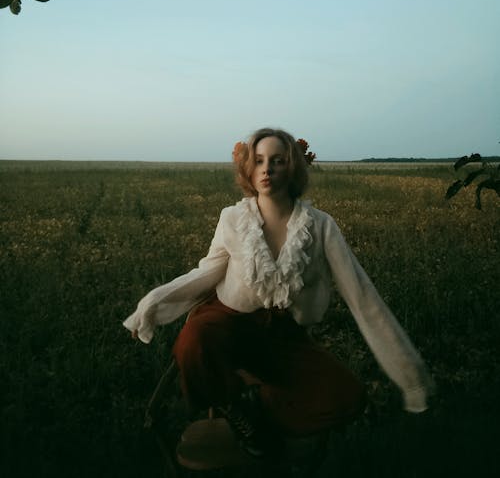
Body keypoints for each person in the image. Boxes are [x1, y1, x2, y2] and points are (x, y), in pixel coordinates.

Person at [123, 127, 433, 457]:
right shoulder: (232, 218)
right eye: (258, 161)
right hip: (227, 323)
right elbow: (206, 272)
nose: (266, 169)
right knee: (193, 338)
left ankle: (259, 411)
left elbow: (363, 298)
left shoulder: (321, 225)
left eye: (277, 160)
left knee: (347, 398)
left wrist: (410, 378)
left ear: (294, 167)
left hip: (284, 335)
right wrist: (151, 305)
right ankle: (233, 408)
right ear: (249, 169)